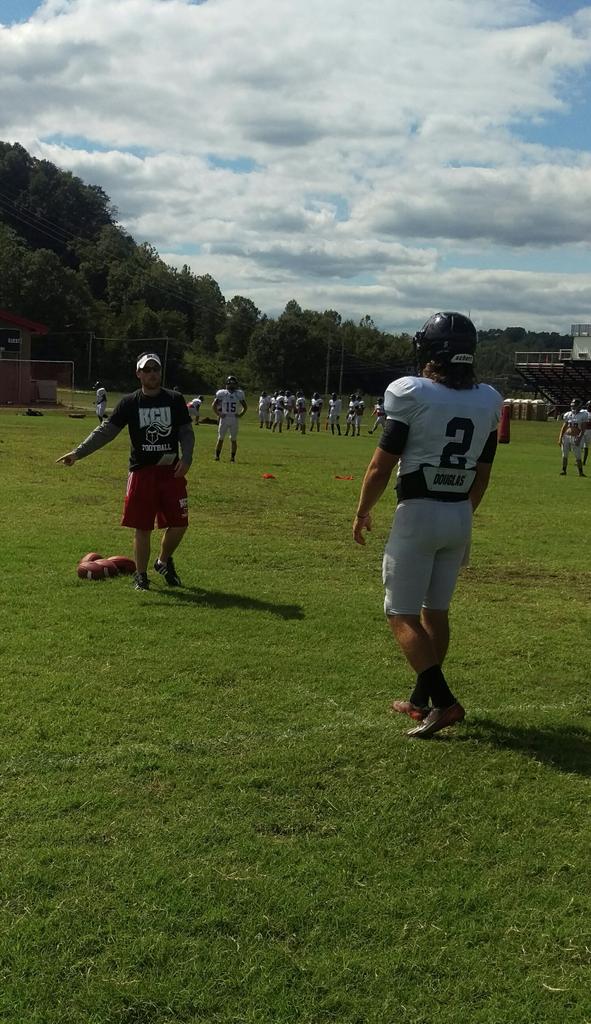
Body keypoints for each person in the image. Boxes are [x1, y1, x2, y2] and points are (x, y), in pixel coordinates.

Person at [353, 312, 501, 739]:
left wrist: (362, 510)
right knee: (435, 610)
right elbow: (483, 473)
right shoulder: (488, 399)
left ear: (431, 351)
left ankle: (445, 702)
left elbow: (381, 466)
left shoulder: (411, 392)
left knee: (399, 613)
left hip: (418, 512)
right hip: (459, 513)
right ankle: (421, 701)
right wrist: (461, 512)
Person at [58, 352, 194, 592]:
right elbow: (106, 431)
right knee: (143, 527)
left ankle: (163, 561)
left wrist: (187, 457)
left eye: (156, 369)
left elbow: (186, 431)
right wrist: (78, 453)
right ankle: (141, 576)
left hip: (171, 472)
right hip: (142, 473)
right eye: (147, 369)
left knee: (180, 524)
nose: (152, 374)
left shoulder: (174, 399)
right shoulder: (130, 402)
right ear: (138, 373)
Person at [213, 375, 247, 461]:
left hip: (234, 418)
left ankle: (232, 457)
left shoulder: (239, 393)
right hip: (224, 418)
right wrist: (219, 414)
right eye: (230, 383)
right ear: (227, 383)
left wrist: (240, 414)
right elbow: (214, 405)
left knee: (233, 439)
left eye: (233, 383)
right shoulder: (222, 393)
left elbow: (245, 407)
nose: (232, 385)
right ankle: (217, 456)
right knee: (220, 438)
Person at [559, 398, 586, 476]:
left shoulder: (583, 415)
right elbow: (564, 427)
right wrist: (560, 437)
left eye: (574, 405)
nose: (572, 407)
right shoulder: (568, 414)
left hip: (576, 437)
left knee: (578, 456)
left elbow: (583, 429)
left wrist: (579, 438)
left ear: (579, 406)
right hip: (566, 436)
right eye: (572, 405)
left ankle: (581, 472)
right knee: (564, 454)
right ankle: (564, 470)